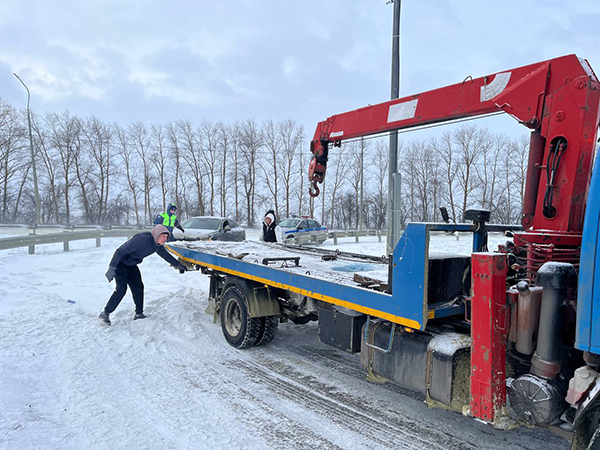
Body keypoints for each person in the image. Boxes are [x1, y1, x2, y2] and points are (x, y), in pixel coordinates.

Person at [98, 224, 187, 326]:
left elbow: (165, 255)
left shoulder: (157, 246)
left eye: (167, 237)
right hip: (120, 263)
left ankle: (139, 313)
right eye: (163, 236)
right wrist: (112, 268)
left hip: (131, 264)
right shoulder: (142, 240)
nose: (165, 239)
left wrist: (178, 265)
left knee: (138, 287)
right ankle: (105, 313)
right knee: (121, 289)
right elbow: (120, 251)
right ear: (157, 235)